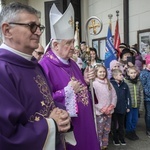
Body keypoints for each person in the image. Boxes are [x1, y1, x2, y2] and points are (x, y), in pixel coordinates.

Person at [0, 2, 72, 150]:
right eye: (32, 26)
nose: (39, 32)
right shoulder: (3, 70)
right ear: (7, 30)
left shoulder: (34, 65)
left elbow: (45, 100)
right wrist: (52, 124)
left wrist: (61, 112)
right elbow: (6, 136)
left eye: (40, 27)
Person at [40, 3, 100, 150]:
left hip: (86, 122)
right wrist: (67, 91)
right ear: (55, 45)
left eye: (73, 42)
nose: (73, 46)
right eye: (69, 43)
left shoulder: (72, 63)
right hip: (70, 129)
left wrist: (85, 80)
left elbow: (81, 89)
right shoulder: (44, 66)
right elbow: (43, 103)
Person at [93, 65, 117, 150]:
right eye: (100, 72)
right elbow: (93, 99)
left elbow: (114, 95)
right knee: (100, 130)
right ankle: (98, 145)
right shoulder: (94, 84)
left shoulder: (109, 83)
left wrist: (111, 106)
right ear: (96, 73)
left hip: (109, 111)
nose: (102, 73)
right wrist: (101, 108)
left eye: (103, 72)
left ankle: (105, 144)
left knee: (107, 129)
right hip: (99, 112)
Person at [110, 69, 131, 146]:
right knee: (115, 124)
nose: (122, 76)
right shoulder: (111, 84)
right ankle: (115, 138)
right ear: (115, 76)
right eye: (120, 75)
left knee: (121, 125)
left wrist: (128, 106)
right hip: (114, 108)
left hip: (122, 108)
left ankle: (121, 138)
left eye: (122, 75)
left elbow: (128, 96)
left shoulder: (125, 85)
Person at [125, 66, 144, 140]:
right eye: (131, 73)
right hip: (129, 106)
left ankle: (133, 131)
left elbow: (141, 94)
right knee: (129, 119)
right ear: (128, 73)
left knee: (135, 119)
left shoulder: (138, 82)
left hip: (136, 105)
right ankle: (128, 132)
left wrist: (141, 106)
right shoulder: (126, 82)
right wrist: (126, 106)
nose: (133, 74)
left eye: (134, 73)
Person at [140, 54, 150, 138]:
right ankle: (148, 129)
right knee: (149, 114)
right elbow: (142, 86)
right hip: (148, 98)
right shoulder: (143, 73)